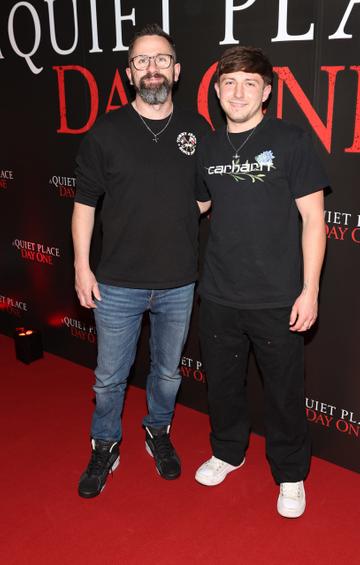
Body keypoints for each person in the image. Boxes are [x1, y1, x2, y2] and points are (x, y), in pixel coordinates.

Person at [72, 23, 210, 498]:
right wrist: (80, 267)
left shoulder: (196, 129)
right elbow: (85, 205)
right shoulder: (106, 132)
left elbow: (204, 198)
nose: (151, 68)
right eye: (141, 61)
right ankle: (105, 443)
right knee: (110, 377)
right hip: (117, 282)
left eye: (160, 59)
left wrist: (168, 212)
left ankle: (158, 431)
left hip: (177, 282)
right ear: (130, 74)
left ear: (176, 69)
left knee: (168, 373)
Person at [194, 46, 328, 518]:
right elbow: (196, 208)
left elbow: (314, 219)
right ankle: (228, 451)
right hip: (218, 293)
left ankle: (291, 474)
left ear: (267, 91)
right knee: (224, 384)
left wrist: (309, 289)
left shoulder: (291, 141)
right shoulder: (208, 147)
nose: (238, 91)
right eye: (229, 82)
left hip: (277, 297)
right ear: (216, 91)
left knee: (285, 391)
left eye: (250, 83)